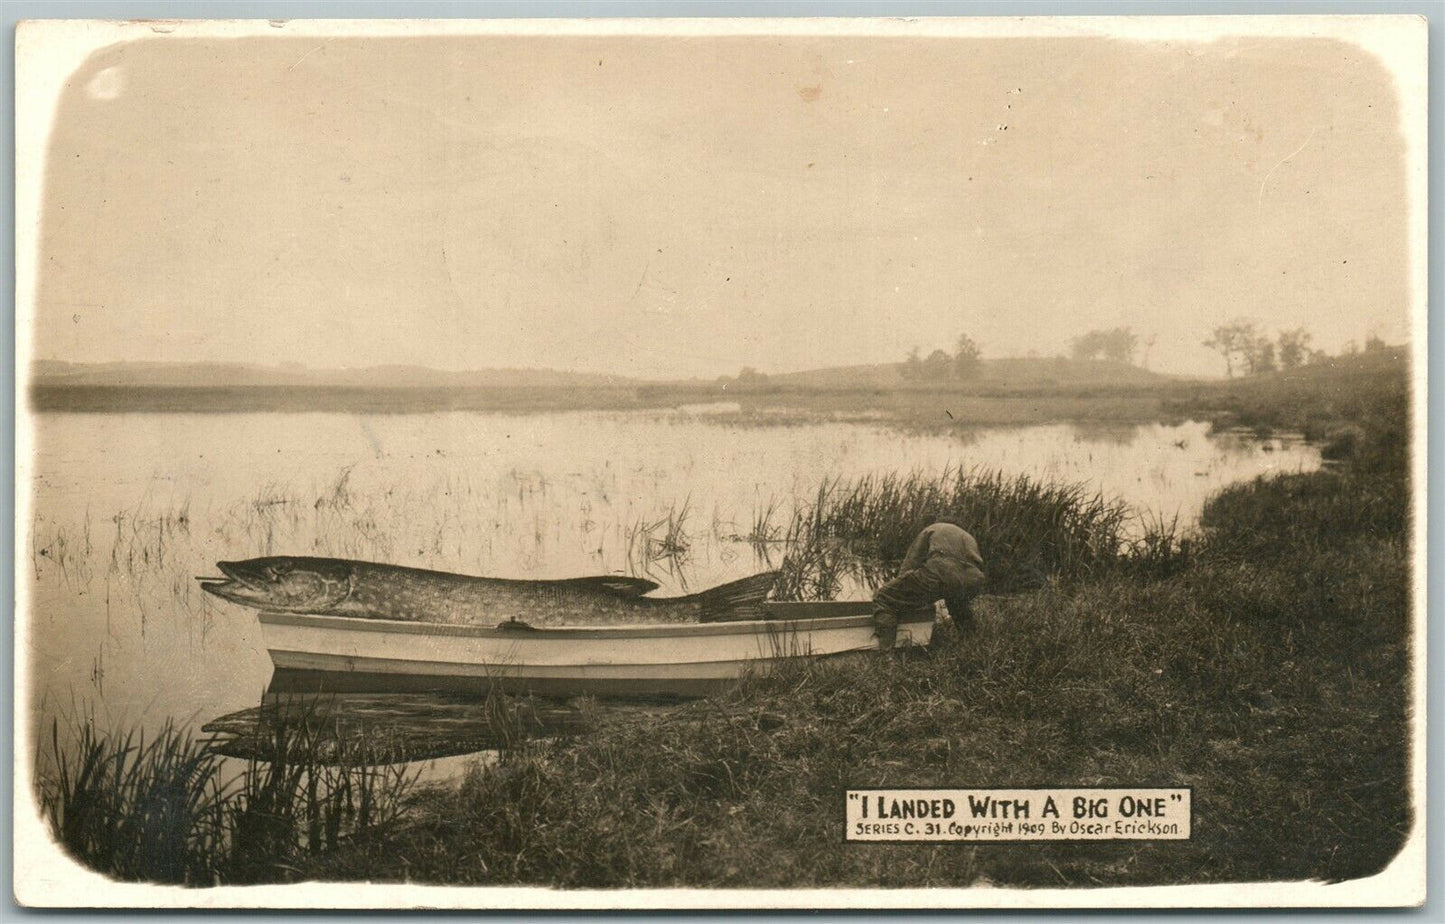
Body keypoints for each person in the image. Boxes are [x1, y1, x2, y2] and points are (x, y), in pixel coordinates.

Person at [873, 518, 986, 648]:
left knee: (884, 598)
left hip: (941, 573)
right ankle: (971, 643)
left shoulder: (931, 529)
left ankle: (886, 654)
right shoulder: (967, 536)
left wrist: (901, 592)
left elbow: (910, 563)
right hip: (974, 580)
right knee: (956, 601)